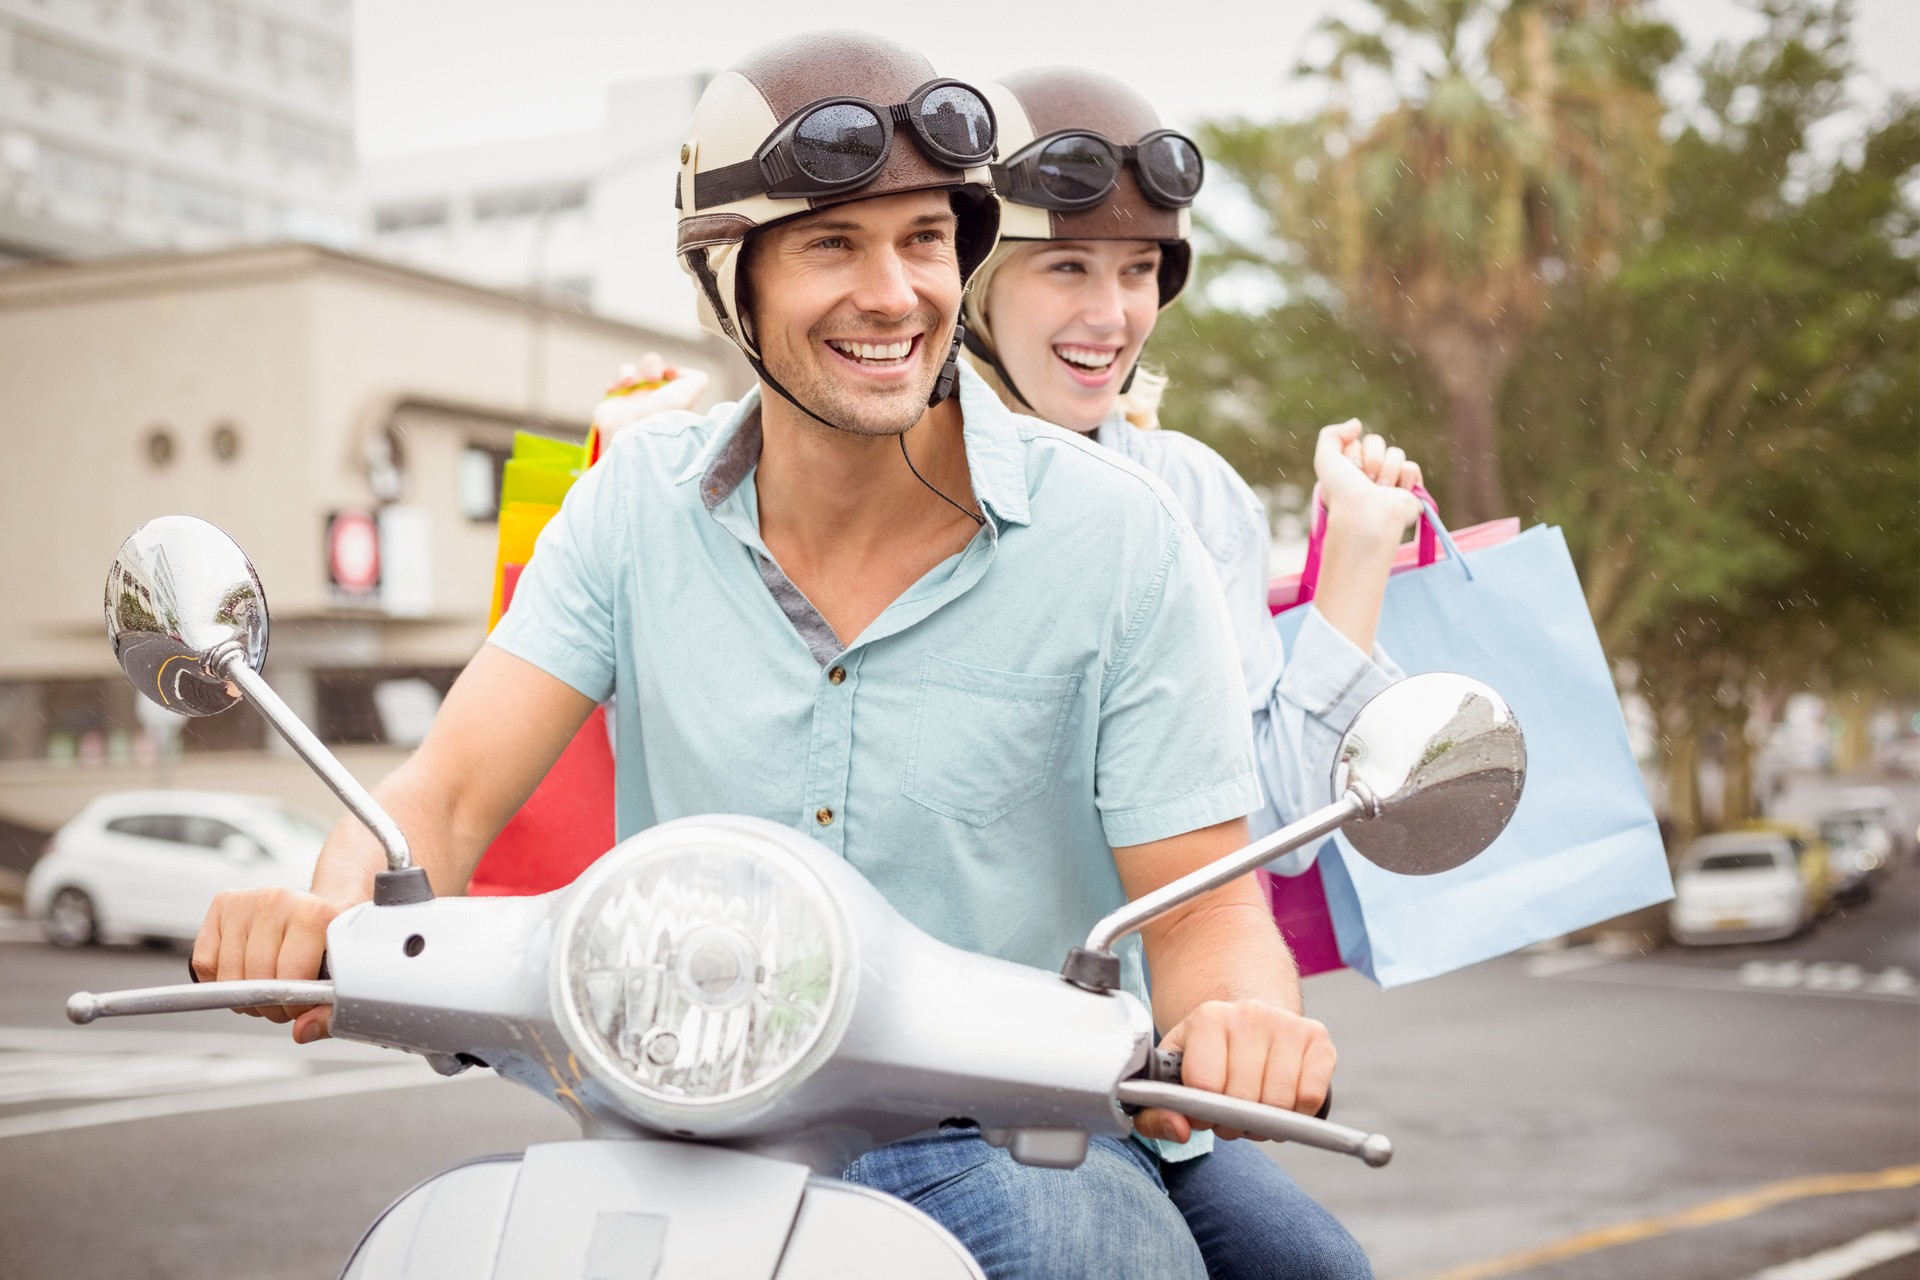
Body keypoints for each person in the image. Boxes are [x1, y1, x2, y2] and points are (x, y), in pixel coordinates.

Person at [190, 32, 1335, 1280]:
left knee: (1294, 1264)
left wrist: (1244, 1020)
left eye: (924, 241)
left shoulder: (1121, 540)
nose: (893, 293)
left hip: (1016, 1133)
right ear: (728, 281)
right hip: (685, 1126)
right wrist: (326, 905)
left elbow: (1207, 904)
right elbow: (444, 794)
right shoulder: (633, 507)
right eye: (831, 243)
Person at [957, 67, 1431, 1278]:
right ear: (972, 280)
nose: (1110, 310)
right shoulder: (900, 477)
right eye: (1067, 265)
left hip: (1121, 1064)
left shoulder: (1189, 493)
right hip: (912, 1053)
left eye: (1137, 271)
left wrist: (1356, 567)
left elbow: (1258, 833)